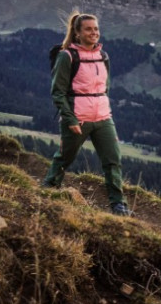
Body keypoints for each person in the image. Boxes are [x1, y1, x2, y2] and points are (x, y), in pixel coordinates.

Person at [42, 12, 130, 215]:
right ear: (78, 33)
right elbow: (58, 91)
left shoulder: (103, 56)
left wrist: (103, 109)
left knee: (113, 160)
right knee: (65, 157)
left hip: (103, 117)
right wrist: (70, 118)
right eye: (89, 29)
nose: (94, 33)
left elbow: (105, 87)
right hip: (77, 118)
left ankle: (119, 205)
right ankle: (48, 189)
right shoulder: (67, 56)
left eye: (96, 29)